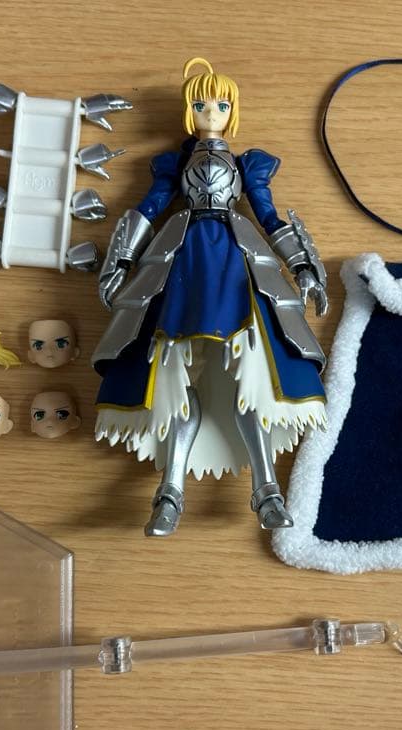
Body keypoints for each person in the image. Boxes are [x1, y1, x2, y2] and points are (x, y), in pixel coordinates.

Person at [92, 57, 329, 537]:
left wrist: (304, 265)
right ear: (189, 110)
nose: (212, 113)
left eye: (221, 105)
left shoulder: (249, 166)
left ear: (232, 111)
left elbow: (268, 216)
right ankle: (170, 492)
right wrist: (119, 261)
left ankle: (266, 490)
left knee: (254, 376)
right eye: (202, 104)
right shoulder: (174, 165)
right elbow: (149, 208)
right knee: (172, 375)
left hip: (236, 259)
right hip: (183, 257)